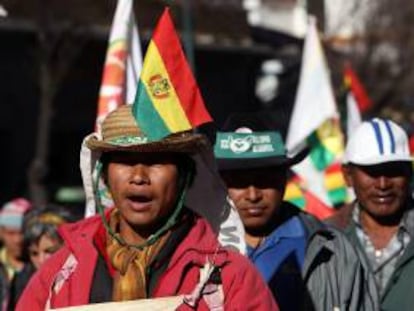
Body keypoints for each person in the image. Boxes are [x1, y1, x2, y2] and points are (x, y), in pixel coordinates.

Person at [16, 105, 278, 310]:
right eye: (125, 161)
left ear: (185, 177)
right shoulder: (59, 273)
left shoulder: (229, 278)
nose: (139, 176)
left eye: (156, 161)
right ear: (104, 176)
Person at [214, 112, 378, 310]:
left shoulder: (333, 250)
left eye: (265, 180)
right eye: (239, 182)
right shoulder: (195, 249)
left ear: (284, 180)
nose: (253, 195)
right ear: (219, 184)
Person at [327, 118, 414, 310]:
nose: (383, 184)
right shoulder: (324, 239)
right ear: (348, 176)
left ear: (409, 173)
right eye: (372, 172)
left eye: (393, 171)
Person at [7, 204, 74, 310]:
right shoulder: (22, 281)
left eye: (50, 251)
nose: (41, 260)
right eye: (34, 253)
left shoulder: (84, 276)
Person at [0, 198, 31, 310]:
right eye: (11, 233)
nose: (18, 240)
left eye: (22, 233)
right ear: (1, 232)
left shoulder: (38, 264)